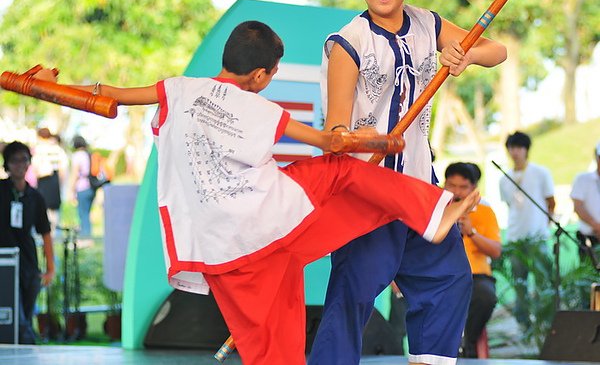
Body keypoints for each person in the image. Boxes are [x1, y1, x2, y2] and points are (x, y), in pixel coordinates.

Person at [32, 20, 479, 365]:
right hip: (273, 228)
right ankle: (431, 209)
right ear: (262, 74)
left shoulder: (176, 90)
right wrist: (379, 142)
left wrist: (46, 85)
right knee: (341, 172)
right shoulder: (258, 107)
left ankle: (426, 211)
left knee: (273, 354)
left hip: (222, 253)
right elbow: (331, 144)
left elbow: (105, 95)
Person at [309, 0, 507, 365]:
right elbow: (335, 131)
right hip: (367, 192)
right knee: (352, 294)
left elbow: (498, 50)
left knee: (451, 279)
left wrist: (466, 57)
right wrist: (370, 140)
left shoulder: (426, 24)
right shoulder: (347, 43)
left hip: (419, 189)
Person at [444, 162, 502, 358]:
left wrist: (472, 233)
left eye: (463, 187)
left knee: (486, 296)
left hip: (476, 275)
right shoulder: (438, 209)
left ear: (474, 190)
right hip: (443, 273)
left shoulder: (485, 212)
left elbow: (496, 251)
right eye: (451, 185)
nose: (456, 191)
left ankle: (466, 344)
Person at [0, 141, 55, 343]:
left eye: (23, 159)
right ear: (7, 164)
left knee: (26, 314)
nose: (19, 165)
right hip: (4, 263)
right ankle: (29, 347)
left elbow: (46, 233)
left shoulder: (35, 197)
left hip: (29, 265)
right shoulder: (2, 190)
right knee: (18, 321)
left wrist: (50, 268)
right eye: (14, 160)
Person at [499, 130, 555, 330]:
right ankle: (524, 324)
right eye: (512, 147)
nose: (515, 152)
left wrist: (544, 225)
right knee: (519, 283)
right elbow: (510, 205)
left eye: (519, 147)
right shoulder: (504, 179)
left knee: (543, 281)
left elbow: (551, 202)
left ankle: (545, 322)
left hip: (537, 235)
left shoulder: (541, 172)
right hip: (515, 236)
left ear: (526, 149)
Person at [31, 128, 69, 234]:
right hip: (54, 181)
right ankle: (53, 233)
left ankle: (45, 233)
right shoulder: (57, 149)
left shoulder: (39, 149)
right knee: (54, 211)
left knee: (42, 208)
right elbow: (63, 168)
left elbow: (35, 167)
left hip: (43, 181)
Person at [570, 142, 600, 261]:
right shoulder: (583, 179)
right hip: (588, 238)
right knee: (588, 277)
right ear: (596, 158)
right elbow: (578, 207)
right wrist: (597, 226)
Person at [69, 135, 96, 238]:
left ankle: (86, 238)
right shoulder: (88, 154)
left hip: (82, 187)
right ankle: (88, 235)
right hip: (92, 187)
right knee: (87, 213)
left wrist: (71, 190)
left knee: (82, 214)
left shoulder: (77, 156)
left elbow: (74, 174)